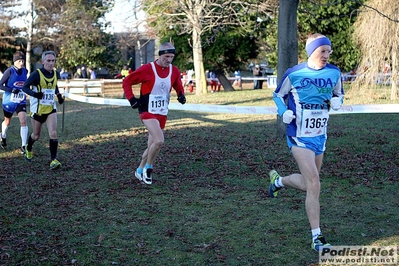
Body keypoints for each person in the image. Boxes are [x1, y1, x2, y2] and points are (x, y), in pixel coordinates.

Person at [268, 33, 344, 252]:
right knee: (314, 183)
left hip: (320, 135)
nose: (326, 55)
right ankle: (316, 237)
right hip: (298, 135)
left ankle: (279, 182)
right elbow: (277, 95)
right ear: (312, 52)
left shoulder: (334, 72)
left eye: (329, 51)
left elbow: (339, 92)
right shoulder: (295, 73)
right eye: (322, 51)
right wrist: (283, 112)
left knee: (312, 183)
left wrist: (339, 100)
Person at [122, 42, 186, 185]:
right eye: (167, 56)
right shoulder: (148, 69)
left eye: (172, 57)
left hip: (162, 111)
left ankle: (139, 170)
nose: (169, 60)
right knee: (159, 141)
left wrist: (181, 94)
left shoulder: (174, 70)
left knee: (152, 146)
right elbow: (127, 81)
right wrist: (132, 99)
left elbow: (177, 83)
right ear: (160, 55)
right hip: (147, 111)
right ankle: (148, 169)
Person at [21, 50, 65, 170]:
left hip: (50, 108)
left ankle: (53, 160)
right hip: (37, 109)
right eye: (48, 60)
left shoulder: (56, 73)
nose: (51, 63)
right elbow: (25, 87)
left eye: (53, 61)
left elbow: (54, 86)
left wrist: (59, 96)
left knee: (53, 133)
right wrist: (35, 94)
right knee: (36, 135)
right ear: (43, 61)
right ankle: (28, 148)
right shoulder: (36, 74)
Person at [0, 51, 29, 153]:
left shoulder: (26, 71)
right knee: (7, 122)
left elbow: (25, 84)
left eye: (23, 61)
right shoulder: (9, 71)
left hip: (21, 100)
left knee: (23, 121)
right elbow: (0, 85)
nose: (22, 63)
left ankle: (23, 146)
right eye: (19, 61)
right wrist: (11, 90)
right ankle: (3, 135)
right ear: (15, 61)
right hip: (9, 100)